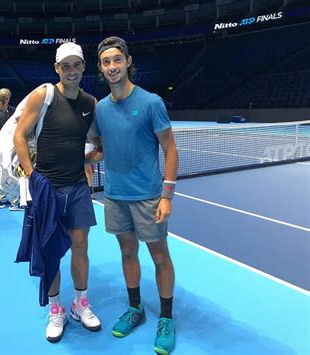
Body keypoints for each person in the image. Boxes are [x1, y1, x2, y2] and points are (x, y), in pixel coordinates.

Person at [91, 36, 179, 354]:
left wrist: (167, 195)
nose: (112, 67)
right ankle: (135, 309)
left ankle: (166, 318)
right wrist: (80, 159)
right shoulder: (100, 109)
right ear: (100, 68)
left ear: (127, 62)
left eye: (117, 60)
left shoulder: (151, 102)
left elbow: (170, 150)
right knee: (127, 253)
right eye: (106, 62)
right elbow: (101, 149)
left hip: (148, 197)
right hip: (115, 197)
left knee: (159, 255)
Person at [13, 42, 101, 343]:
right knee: (49, 250)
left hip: (77, 187)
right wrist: (31, 174)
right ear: (57, 69)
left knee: (80, 246)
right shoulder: (44, 95)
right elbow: (19, 135)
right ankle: (55, 310)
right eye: (66, 66)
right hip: (47, 188)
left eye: (76, 65)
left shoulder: (91, 103)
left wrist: (90, 157)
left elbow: (96, 140)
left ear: (83, 67)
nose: (72, 71)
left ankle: (80, 304)